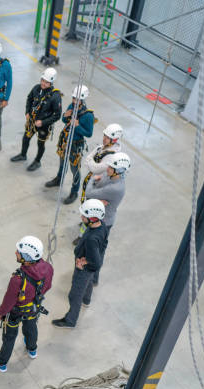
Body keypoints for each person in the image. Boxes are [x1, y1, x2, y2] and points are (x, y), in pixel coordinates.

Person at [0, 236, 53, 372]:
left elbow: (9, 301)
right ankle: (32, 349)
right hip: (34, 308)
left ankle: (1, 362)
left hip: (15, 313)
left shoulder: (17, 279)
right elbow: (48, 286)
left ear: (27, 258)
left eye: (19, 252)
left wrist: (1, 312)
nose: (16, 253)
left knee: (9, 336)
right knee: (31, 327)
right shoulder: (48, 268)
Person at [52, 199, 107, 329]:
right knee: (89, 282)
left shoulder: (91, 239)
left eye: (84, 216)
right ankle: (86, 300)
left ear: (93, 218)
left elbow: (96, 263)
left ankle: (70, 320)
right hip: (89, 270)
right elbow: (104, 244)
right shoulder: (102, 226)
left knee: (74, 294)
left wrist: (84, 263)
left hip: (84, 270)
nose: (81, 217)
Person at [72, 123, 123, 246]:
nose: (104, 139)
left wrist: (91, 163)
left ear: (114, 139)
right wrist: (91, 163)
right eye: (104, 136)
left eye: (107, 137)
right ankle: (85, 219)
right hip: (91, 180)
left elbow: (96, 168)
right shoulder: (102, 147)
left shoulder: (112, 156)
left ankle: (81, 235)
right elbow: (89, 158)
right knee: (85, 204)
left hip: (96, 184)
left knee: (90, 209)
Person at [84, 152, 130, 285]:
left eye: (110, 168)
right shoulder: (112, 176)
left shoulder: (115, 188)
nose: (107, 169)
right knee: (95, 249)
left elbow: (89, 192)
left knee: (97, 251)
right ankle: (93, 277)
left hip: (104, 223)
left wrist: (93, 180)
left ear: (119, 171)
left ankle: (93, 279)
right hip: (99, 218)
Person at [45, 85, 94, 204]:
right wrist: (65, 116)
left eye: (77, 99)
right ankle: (58, 179)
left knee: (75, 169)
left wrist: (77, 126)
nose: (74, 101)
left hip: (76, 144)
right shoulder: (71, 107)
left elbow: (88, 133)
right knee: (62, 163)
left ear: (82, 100)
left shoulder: (88, 115)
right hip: (65, 141)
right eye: (73, 98)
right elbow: (64, 120)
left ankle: (74, 192)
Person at [10, 68, 62, 171]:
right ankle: (23, 155)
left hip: (44, 125)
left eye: (46, 82)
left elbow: (57, 115)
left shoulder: (55, 96)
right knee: (26, 138)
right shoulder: (37, 88)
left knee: (40, 143)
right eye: (42, 80)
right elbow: (29, 99)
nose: (43, 83)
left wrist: (43, 122)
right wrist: (27, 112)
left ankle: (37, 161)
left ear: (51, 83)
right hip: (32, 120)